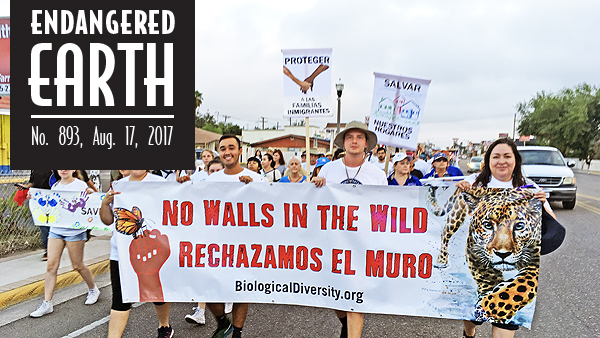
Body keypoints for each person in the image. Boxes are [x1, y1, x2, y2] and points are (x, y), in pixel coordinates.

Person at [455, 138, 554, 338]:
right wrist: (458, 190)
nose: (502, 161)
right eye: (496, 156)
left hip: (518, 266)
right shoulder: (475, 183)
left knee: (504, 321)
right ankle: (469, 333)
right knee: (472, 316)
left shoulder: (529, 188)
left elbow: (553, 227)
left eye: (507, 156)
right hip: (480, 261)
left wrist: (542, 205)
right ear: (488, 160)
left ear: (515, 160)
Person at [311, 121, 387, 338]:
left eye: (359, 137)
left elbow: (383, 210)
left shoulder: (376, 174)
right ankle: (346, 323)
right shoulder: (328, 169)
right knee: (336, 295)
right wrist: (315, 185)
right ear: (343, 142)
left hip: (362, 243)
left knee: (356, 298)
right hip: (333, 243)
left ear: (366, 144)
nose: (354, 141)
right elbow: (315, 204)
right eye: (350, 137)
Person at [100, 170, 175, 338]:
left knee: (158, 294)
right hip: (121, 254)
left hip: (154, 249)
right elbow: (107, 220)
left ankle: (164, 326)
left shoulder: (160, 183)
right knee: (120, 300)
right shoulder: (118, 186)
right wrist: (105, 204)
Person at [205, 135, 266, 338]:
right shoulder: (211, 179)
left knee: (241, 290)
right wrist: (183, 184)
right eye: (222, 148)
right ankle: (223, 321)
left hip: (245, 245)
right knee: (205, 287)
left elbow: (271, 208)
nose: (227, 152)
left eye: (231, 147)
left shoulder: (257, 179)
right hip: (216, 244)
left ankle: (237, 333)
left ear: (240, 151)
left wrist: (254, 190)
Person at [30, 170, 100, 318]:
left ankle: (93, 289)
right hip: (56, 230)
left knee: (77, 265)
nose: (63, 169)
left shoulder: (80, 185)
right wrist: (34, 198)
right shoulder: (55, 186)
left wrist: (90, 195)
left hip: (74, 231)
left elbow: (94, 202)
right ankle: (47, 303)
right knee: (51, 266)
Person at [184, 158, 231, 327]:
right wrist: (181, 185)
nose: (216, 174)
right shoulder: (201, 190)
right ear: (207, 173)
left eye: (220, 171)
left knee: (224, 269)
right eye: (212, 171)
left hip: (228, 239)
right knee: (204, 273)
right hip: (207, 238)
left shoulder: (235, 190)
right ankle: (200, 312)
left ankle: (228, 296)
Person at [18, 170, 53, 260]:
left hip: (53, 201)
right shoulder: (34, 169)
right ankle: (48, 251)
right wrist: (26, 187)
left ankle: (54, 248)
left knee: (52, 226)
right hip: (40, 201)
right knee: (43, 225)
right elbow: (33, 183)